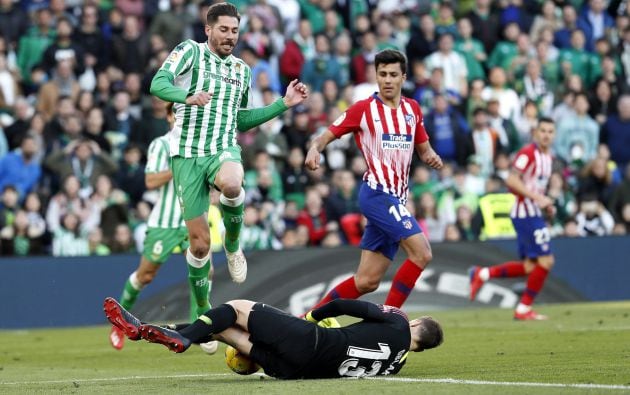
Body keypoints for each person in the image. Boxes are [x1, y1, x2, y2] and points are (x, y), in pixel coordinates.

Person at [149, 2, 308, 289]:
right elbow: (158, 84)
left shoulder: (241, 70)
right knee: (199, 246)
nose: (230, 36)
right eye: (223, 29)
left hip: (222, 147)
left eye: (235, 31)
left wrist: (283, 104)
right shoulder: (190, 51)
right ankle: (201, 314)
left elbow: (242, 121)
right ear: (208, 29)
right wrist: (186, 96)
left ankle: (233, 245)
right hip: (186, 154)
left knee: (233, 184)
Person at [304, 49, 443, 311]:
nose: (387, 80)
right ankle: (391, 322)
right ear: (375, 76)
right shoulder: (363, 109)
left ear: (403, 77)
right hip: (377, 194)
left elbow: (424, 149)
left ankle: (309, 318)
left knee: (367, 281)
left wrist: (432, 156)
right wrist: (314, 148)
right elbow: (326, 135)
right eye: (382, 74)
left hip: (397, 198)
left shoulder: (413, 109)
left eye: (393, 74)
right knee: (422, 253)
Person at [103, 296, 443, 379]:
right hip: (292, 371)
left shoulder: (398, 320)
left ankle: (182, 338)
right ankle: (147, 329)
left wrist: (309, 318)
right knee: (221, 330)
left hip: (309, 340)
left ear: (415, 325)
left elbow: (340, 304)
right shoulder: (395, 367)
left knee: (235, 309)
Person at [109, 104, 215, 354]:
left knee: (204, 271)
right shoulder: (161, 144)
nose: (181, 118)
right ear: (169, 116)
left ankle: (199, 328)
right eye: (177, 113)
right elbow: (150, 180)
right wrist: (178, 168)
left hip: (193, 219)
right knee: (146, 275)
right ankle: (119, 323)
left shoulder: (201, 143)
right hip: (165, 223)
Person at [469, 117, 557, 320]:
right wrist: (537, 198)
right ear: (536, 133)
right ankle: (523, 308)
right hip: (525, 213)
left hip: (534, 212)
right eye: (542, 130)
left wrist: (545, 204)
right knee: (546, 260)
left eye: (550, 131)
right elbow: (511, 179)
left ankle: (482, 274)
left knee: (529, 266)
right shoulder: (528, 153)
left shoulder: (548, 157)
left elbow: (535, 187)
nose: (546, 135)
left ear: (554, 135)